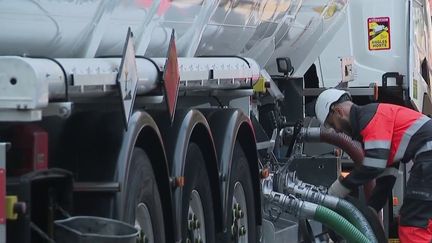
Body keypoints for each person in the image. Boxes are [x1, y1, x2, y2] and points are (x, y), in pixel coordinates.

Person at [315, 88, 432, 242]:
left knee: (413, 224)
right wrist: (371, 209)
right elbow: (387, 176)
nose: (336, 130)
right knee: (424, 219)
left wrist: (339, 188)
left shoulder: (370, 118)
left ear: (338, 111)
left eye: (332, 124)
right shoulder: (374, 118)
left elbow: (373, 165)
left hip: (428, 159)